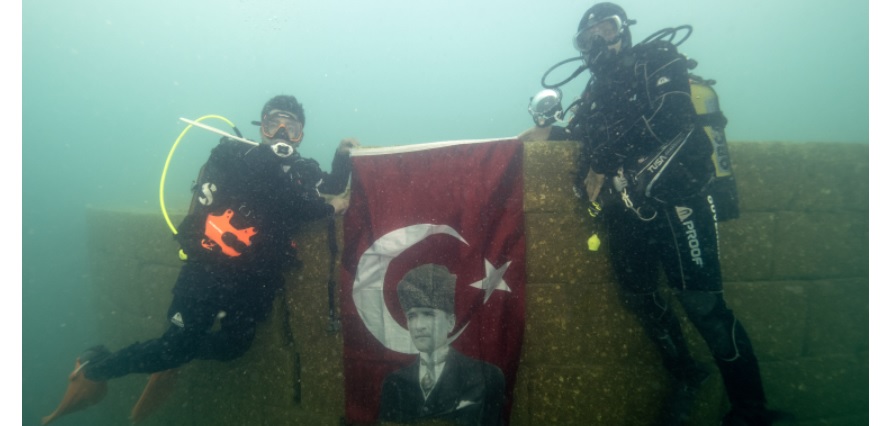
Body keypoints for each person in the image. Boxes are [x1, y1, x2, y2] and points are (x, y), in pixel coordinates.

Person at [520, 3, 777, 425]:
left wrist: (604, 159)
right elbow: (582, 141)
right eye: (588, 38)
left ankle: (751, 410)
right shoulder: (593, 95)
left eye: (607, 29)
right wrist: (545, 136)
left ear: (624, 30)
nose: (599, 41)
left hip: (679, 202)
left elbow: (672, 116)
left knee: (704, 308)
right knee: (639, 299)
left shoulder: (658, 60)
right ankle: (687, 374)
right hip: (625, 214)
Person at [42, 94, 359, 425]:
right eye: (272, 124)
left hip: (254, 281)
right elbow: (281, 200)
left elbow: (332, 184)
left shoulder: (303, 169)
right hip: (208, 271)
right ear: (261, 128)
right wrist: (328, 208)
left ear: (300, 135)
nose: (281, 133)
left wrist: (342, 155)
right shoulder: (238, 155)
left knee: (233, 347)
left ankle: (179, 351)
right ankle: (95, 368)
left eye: (290, 127)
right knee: (173, 345)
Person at [378, 264, 506, 426]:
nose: (418, 326)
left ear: (450, 322)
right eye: (411, 316)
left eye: (428, 314)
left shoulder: (486, 376)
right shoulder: (394, 383)